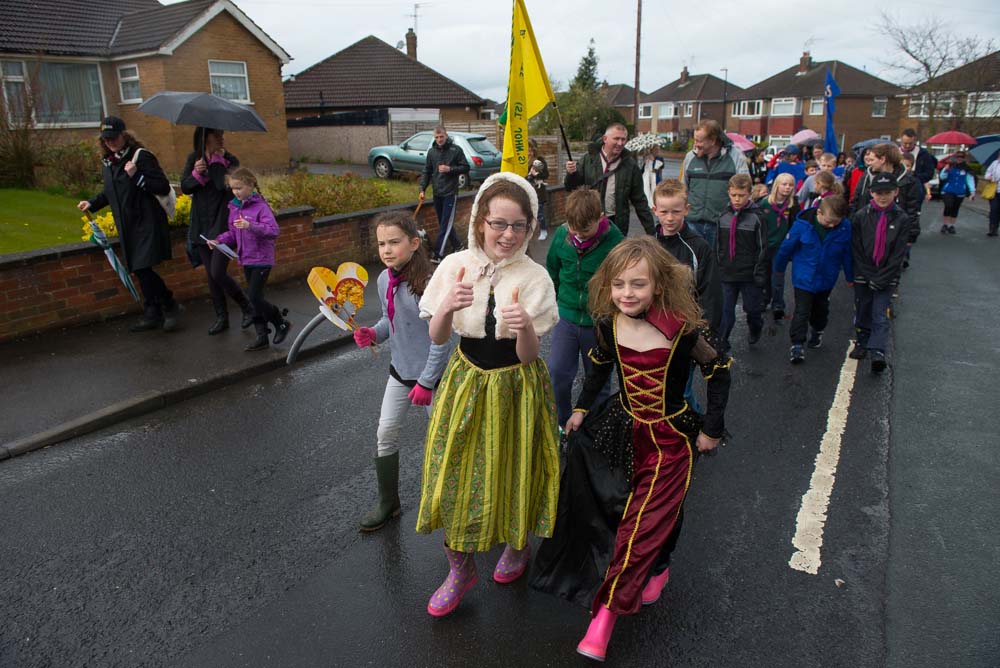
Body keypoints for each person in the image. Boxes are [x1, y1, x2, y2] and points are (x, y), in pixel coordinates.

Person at [530, 237, 732, 663]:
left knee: (643, 522)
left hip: (670, 440)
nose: (627, 293)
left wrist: (712, 429)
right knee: (619, 509)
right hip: (620, 429)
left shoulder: (683, 328)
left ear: (658, 284)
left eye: (638, 285)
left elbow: (719, 371)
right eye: (619, 284)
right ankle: (656, 566)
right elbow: (601, 365)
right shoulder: (608, 323)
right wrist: (583, 406)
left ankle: (603, 618)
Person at [415, 172, 560, 617]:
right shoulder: (454, 265)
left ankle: (516, 549)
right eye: (499, 223)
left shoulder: (536, 277)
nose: (508, 234)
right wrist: (446, 307)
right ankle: (460, 569)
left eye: (519, 225)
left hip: (519, 385)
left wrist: (523, 328)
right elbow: (438, 336)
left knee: (517, 469)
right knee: (451, 475)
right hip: (466, 380)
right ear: (480, 221)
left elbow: (530, 355)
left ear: (530, 227)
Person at [351, 212, 452, 532]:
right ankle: (388, 502)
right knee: (385, 434)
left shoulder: (431, 282)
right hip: (400, 372)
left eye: (394, 242)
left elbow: (442, 338)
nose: (387, 250)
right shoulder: (384, 279)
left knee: (444, 445)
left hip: (434, 380)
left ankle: (453, 504)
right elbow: (389, 321)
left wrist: (426, 381)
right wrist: (373, 333)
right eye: (382, 243)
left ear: (414, 243)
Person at [78, 116, 180, 332]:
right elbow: (111, 192)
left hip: (147, 221)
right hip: (127, 224)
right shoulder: (109, 161)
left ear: (124, 134)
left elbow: (161, 186)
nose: (110, 143)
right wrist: (92, 203)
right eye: (106, 140)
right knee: (137, 268)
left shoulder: (140, 157)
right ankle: (153, 311)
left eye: (114, 138)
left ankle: (169, 305)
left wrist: (137, 176)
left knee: (143, 268)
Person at [546, 188, 624, 428]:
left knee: (597, 379)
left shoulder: (615, 241)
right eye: (573, 229)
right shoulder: (561, 235)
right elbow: (552, 271)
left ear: (601, 217)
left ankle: (595, 427)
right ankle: (562, 424)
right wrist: (553, 302)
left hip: (598, 322)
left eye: (586, 230)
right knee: (558, 373)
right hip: (567, 316)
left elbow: (622, 280)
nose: (579, 235)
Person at [207, 167, 291, 351]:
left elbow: (273, 231)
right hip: (246, 258)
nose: (235, 192)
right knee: (255, 299)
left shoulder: (261, 207)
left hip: (262, 259)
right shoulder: (234, 207)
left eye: (239, 187)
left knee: (253, 296)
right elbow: (233, 233)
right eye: (233, 188)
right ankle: (262, 336)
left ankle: (280, 321)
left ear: (251, 185)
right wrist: (218, 240)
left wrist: (250, 225)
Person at [180, 127, 253, 335]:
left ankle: (247, 306)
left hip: (223, 226)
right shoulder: (194, 158)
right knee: (211, 276)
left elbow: (226, 188)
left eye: (222, 134)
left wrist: (217, 166)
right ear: (205, 138)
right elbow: (186, 186)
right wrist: (197, 173)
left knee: (218, 271)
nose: (222, 138)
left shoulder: (231, 161)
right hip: (201, 226)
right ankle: (222, 317)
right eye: (216, 135)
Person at [773, 195, 853, 364]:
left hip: (826, 279)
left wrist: (850, 275)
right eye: (829, 221)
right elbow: (786, 248)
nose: (832, 226)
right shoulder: (802, 226)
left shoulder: (845, 228)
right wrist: (779, 269)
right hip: (804, 277)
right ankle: (797, 344)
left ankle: (817, 330)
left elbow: (847, 253)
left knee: (820, 310)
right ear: (819, 212)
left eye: (836, 222)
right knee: (802, 310)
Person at [849, 172, 911, 373]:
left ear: (896, 192)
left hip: (886, 274)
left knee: (880, 313)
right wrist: (868, 275)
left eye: (887, 192)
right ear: (871, 193)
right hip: (864, 273)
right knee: (863, 309)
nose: (883, 197)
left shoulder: (901, 218)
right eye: (878, 193)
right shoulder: (861, 216)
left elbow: (898, 254)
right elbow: (856, 249)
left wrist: (882, 277)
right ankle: (862, 341)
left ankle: (878, 350)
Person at [564, 123, 656, 236]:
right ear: (605, 139)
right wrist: (571, 174)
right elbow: (571, 187)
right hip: (591, 221)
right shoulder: (588, 160)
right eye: (616, 139)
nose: (620, 143)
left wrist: (652, 233)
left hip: (617, 224)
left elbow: (640, 201)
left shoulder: (630, 166)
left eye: (623, 139)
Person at [717, 173, 768, 351]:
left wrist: (759, 273)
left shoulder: (757, 217)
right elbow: (719, 245)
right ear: (728, 193)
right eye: (733, 195)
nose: (737, 199)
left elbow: (762, 248)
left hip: (749, 274)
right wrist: (719, 267)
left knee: (753, 310)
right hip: (727, 273)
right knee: (725, 312)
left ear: (749, 194)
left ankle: (756, 328)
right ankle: (722, 343)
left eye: (742, 195)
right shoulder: (723, 216)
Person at [681, 119, 750, 247]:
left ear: (713, 140)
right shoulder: (690, 157)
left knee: (716, 264)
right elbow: (683, 188)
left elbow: (745, 189)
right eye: (694, 139)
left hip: (721, 225)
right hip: (692, 222)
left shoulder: (735, 157)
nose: (695, 144)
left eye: (699, 141)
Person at [419, 127, 470, 263]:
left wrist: (450, 169)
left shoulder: (456, 150)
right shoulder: (431, 152)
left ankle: (438, 254)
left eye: (441, 136)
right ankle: (458, 246)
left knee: (445, 224)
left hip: (450, 192)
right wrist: (422, 188)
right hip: (437, 192)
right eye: (436, 137)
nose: (439, 140)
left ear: (446, 135)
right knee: (444, 223)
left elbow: (466, 167)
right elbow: (427, 171)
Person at [756, 172, 800, 321]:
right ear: (777, 185)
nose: (787, 188)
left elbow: (796, 225)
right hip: (766, 244)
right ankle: (764, 299)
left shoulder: (793, 205)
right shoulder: (764, 203)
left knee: (778, 276)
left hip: (781, 247)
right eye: (784, 184)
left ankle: (778, 304)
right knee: (765, 275)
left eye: (790, 185)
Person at [938, 152, 976, 235]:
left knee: (955, 208)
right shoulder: (950, 166)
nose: (959, 158)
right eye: (958, 157)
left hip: (960, 191)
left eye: (961, 157)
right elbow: (942, 177)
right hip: (948, 190)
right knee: (949, 205)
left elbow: (970, 181)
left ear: (964, 158)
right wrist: (945, 170)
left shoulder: (966, 169)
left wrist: (972, 192)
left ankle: (951, 225)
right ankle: (945, 224)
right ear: (955, 157)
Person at [527, 139, 550, 240]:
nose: (528, 152)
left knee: (539, 212)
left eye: (530, 150)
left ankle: (543, 230)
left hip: (538, 190)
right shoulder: (523, 160)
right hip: (527, 189)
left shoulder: (538, 160)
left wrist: (535, 175)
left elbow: (546, 174)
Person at [984, 156, 1000, 237]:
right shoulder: (995, 163)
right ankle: (992, 228)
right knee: (994, 209)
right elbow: (987, 173)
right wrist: (988, 177)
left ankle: (996, 226)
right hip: (994, 191)